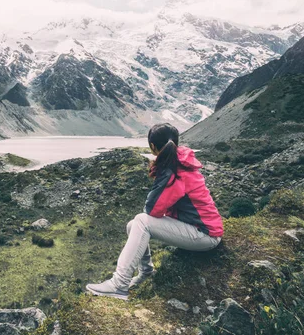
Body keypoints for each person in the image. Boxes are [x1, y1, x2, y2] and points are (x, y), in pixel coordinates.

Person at [86, 123, 224, 300]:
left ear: (152, 146)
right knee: (133, 224)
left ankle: (119, 285)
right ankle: (146, 272)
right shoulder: (179, 161)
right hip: (199, 228)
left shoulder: (173, 171)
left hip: (206, 235)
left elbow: (152, 210)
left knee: (142, 221)